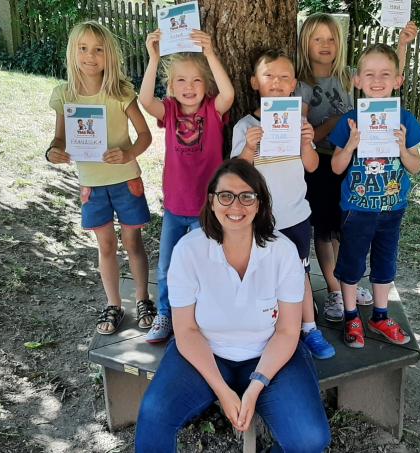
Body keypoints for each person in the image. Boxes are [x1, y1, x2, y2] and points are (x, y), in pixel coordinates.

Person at [135, 159, 331, 453]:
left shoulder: (283, 251)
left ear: (260, 203)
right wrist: (223, 391)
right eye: (226, 196)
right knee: (154, 415)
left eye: (247, 196)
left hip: (270, 353)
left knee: (311, 440)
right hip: (205, 352)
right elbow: (186, 330)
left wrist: (254, 388)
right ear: (212, 201)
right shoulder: (189, 251)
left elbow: (288, 331)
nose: (235, 206)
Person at [296, 14, 418, 324]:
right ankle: (337, 291)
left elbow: (386, 77)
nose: (326, 45)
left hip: (359, 164)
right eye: (317, 39)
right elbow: (304, 130)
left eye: (331, 38)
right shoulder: (304, 84)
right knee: (325, 228)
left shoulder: (348, 74)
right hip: (323, 160)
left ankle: (350, 289)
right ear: (305, 43)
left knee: (343, 227)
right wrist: (337, 127)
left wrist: (402, 45)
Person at [45, 20, 155, 335]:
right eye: (83, 49)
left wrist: (128, 153)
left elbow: (145, 135)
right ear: (72, 52)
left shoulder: (121, 92)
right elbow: (58, 141)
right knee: (105, 246)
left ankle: (144, 299)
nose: (90, 56)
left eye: (98, 50)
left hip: (126, 181)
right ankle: (114, 304)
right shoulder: (64, 95)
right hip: (92, 185)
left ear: (109, 56)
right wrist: (53, 152)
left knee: (133, 242)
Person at [231, 50, 335, 360]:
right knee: (258, 275)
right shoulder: (245, 126)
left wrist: (306, 143)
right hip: (257, 220)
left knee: (299, 274)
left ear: (293, 86)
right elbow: (236, 171)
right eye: (268, 76)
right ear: (254, 82)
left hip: (295, 217)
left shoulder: (300, 123)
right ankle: (265, 331)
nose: (276, 82)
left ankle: (309, 328)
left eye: (284, 77)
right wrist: (250, 146)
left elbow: (313, 166)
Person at [138, 28, 234, 343]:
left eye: (196, 80)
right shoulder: (169, 111)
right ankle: (165, 315)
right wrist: (154, 58)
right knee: (167, 268)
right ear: (171, 86)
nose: (188, 87)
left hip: (206, 211)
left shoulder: (212, 109)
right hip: (174, 209)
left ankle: (200, 318)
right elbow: (144, 100)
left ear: (206, 85)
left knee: (203, 268)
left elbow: (229, 94)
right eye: (181, 80)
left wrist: (210, 54)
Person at [328, 43, 420, 348]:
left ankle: (380, 316)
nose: (377, 80)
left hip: (392, 206)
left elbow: (416, 166)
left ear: (398, 80)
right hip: (357, 207)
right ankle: (351, 316)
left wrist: (401, 149)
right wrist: (350, 145)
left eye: (385, 74)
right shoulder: (350, 121)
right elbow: (335, 167)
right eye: (369, 74)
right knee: (352, 263)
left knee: (385, 263)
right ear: (357, 80)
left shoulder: (404, 120)